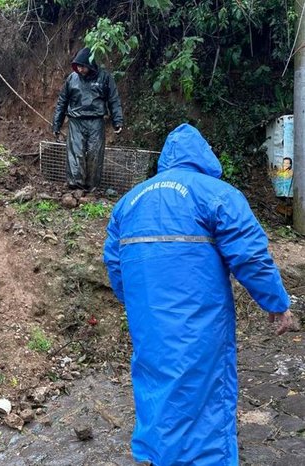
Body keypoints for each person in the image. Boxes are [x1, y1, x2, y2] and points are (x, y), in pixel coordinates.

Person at [103, 123, 298, 465]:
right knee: (204, 396)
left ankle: (160, 455)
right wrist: (277, 303)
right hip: (200, 325)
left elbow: (115, 265)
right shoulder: (216, 194)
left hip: (148, 323)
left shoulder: (128, 202)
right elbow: (250, 256)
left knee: (156, 386)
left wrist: (137, 304)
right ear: (203, 155)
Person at [52, 47, 123, 192]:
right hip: (76, 121)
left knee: (94, 153)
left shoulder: (104, 77)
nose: (80, 69)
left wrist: (118, 121)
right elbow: (62, 101)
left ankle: (91, 187)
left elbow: (113, 100)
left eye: (83, 66)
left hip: (96, 121)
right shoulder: (72, 78)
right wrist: (57, 124)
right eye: (78, 66)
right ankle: (75, 186)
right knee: (75, 152)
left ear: (90, 65)